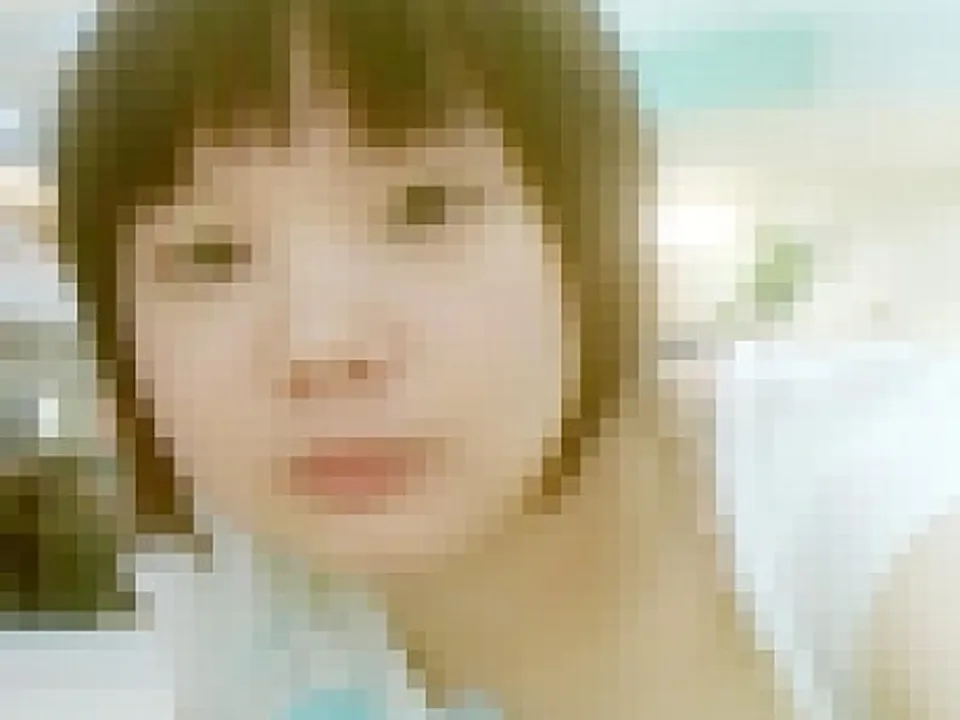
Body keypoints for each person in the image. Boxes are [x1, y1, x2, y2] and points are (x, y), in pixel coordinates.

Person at [51, 0, 792, 718]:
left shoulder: (824, 501)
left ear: (596, 239)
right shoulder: (236, 591)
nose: (322, 347)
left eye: (426, 208)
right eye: (210, 255)